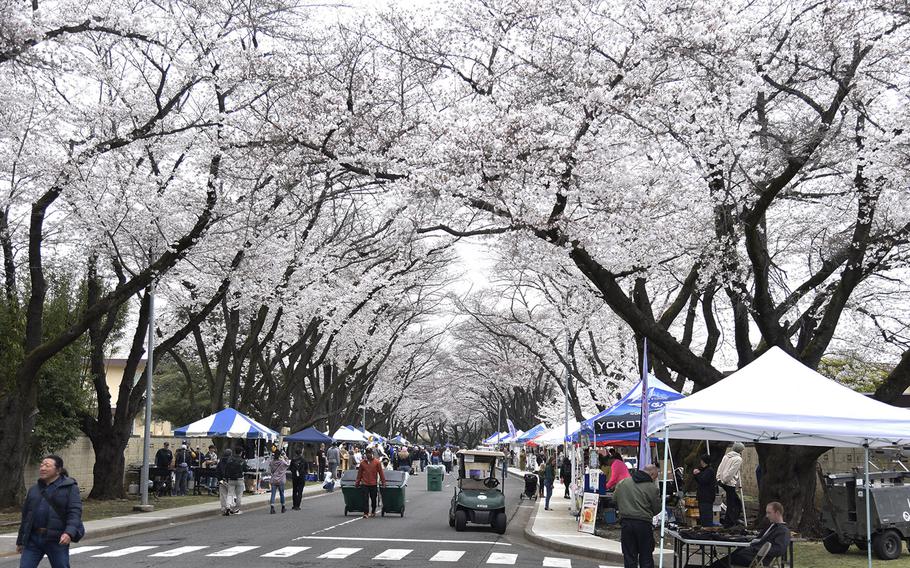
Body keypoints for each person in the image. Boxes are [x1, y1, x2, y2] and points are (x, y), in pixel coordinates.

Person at [17, 455, 83, 568]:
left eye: (47, 465)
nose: (42, 468)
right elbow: (26, 516)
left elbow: (74, 512)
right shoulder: (34, 489)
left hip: (56, 539)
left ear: (58, 470)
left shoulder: (70, 488)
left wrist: (69, 533)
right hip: (33, 539)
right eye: (41, 465)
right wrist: (21, 540)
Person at [709, 502, 790, 567]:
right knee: (722, 561)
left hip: (753, 558)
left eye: (769, 513)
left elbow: (780, 549)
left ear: (778, 513)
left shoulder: (783, 531)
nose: (767, 516)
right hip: (748, 554)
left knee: (720, 564)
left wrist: (757, 549)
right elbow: (759, 539)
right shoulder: (771, 526)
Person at [614, 464, 662, 568]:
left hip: (626, 523)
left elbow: (614, 499)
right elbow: (657, 508)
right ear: (652, 474)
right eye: (655, 476)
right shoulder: (651, 487)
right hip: (643, 524)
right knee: (646, 556)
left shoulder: (623, 483)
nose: (655, 479)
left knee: (629, 556)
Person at [717, 442, 744, 527]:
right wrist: (725, 481)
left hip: (722, 481)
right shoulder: (738, 459)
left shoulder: (726, 456)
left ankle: (729, 520)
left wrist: (718, 478)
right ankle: (730, 521)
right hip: (729, 483)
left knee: (733, 502)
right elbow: (731, 472)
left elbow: (720, 468)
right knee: (734, 504)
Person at [356, 448, 386, 518]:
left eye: (369, 453)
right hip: (365, 483)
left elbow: (381, 473)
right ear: (365, 454)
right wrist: (357, 482)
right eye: (367, 453)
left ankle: (373, 511)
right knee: (365, 499)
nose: (368, 454)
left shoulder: (377, 462)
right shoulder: (362, 463)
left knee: (373, 499)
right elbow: (359, 474)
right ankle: (365, 513)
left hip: (373, 483)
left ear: (372, 453)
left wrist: (383, 482)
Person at [215, 448, 245, 515]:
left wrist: (220, 479)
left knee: (223, 495)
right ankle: (231, 507)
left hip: (222, 480)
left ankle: (224, 508)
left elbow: (217, 471)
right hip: (230, 479)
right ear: (231, 454)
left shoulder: (220, 462)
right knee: (231, 494)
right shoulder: (232, 461)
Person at [692, 454, 717, 526]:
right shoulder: (704, 470)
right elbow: (700, 481)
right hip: (703, 497)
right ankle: (704, 528)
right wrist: (696, 475)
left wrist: (697, 474)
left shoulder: (709, 471)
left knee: (706, 515)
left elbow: (703, 480)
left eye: (701, 460)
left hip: (707, 497)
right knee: (703, 515)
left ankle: (708, 529)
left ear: (703, 461)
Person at [269, 449, 290, 514]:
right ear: (280, 455)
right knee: (282, 494)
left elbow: (272, 471)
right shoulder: (282, 462)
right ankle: (283, 507)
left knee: (273, 494)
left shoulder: (272, 462)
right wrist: (285, 457)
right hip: (281, 480)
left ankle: (272, 507)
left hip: (274, 480)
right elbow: (288, 464)